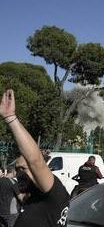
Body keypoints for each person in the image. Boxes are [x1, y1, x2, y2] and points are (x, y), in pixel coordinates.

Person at [0, 89, 70, 227]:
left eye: (24, 168)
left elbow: (35, 160)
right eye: (17, 169)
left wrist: (10, 118)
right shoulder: (33, 197)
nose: (19, 174)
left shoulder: (55, 194)